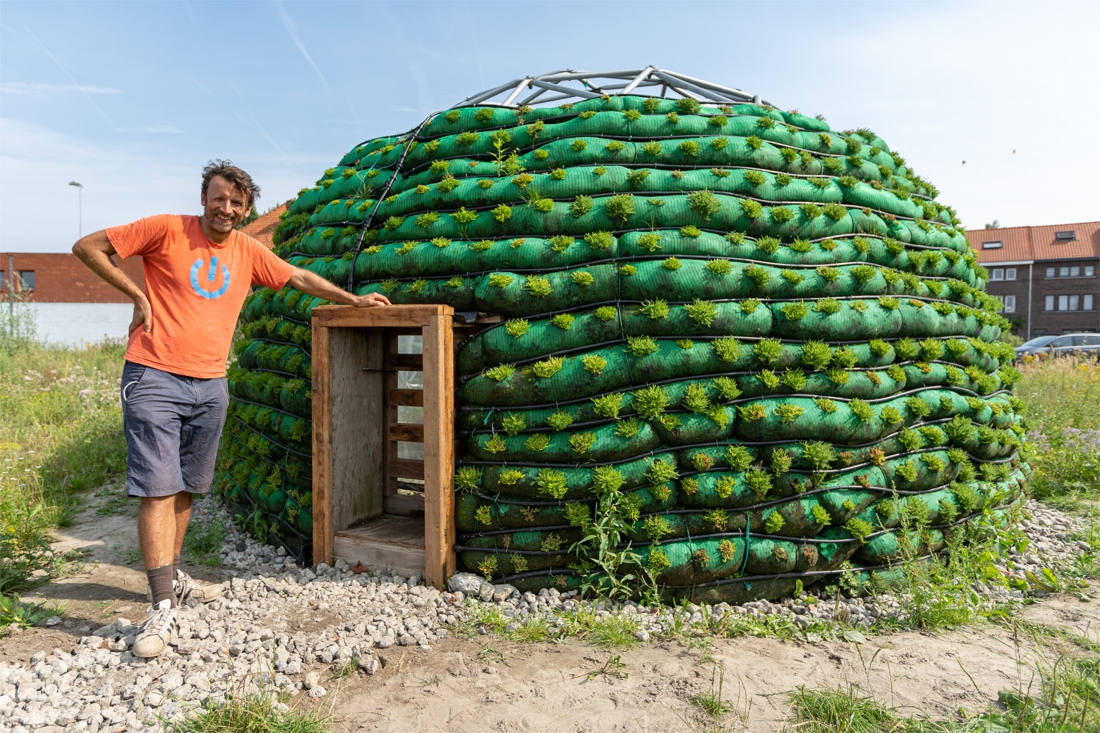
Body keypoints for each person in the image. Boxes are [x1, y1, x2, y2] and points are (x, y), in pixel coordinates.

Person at [73, 160, 390, 658]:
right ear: (204, 198)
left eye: (237, 203)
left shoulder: (248, 250)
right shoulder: (165, 230)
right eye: (220, 199)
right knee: (157, 489)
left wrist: (353, 301)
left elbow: (300, 277)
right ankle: (159, 607)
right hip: (154, 374)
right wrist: (136, 293)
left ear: (246, 209)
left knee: (186, 487)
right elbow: (88, 246)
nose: (227, 209)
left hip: (210, 384)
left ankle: (173, 576)